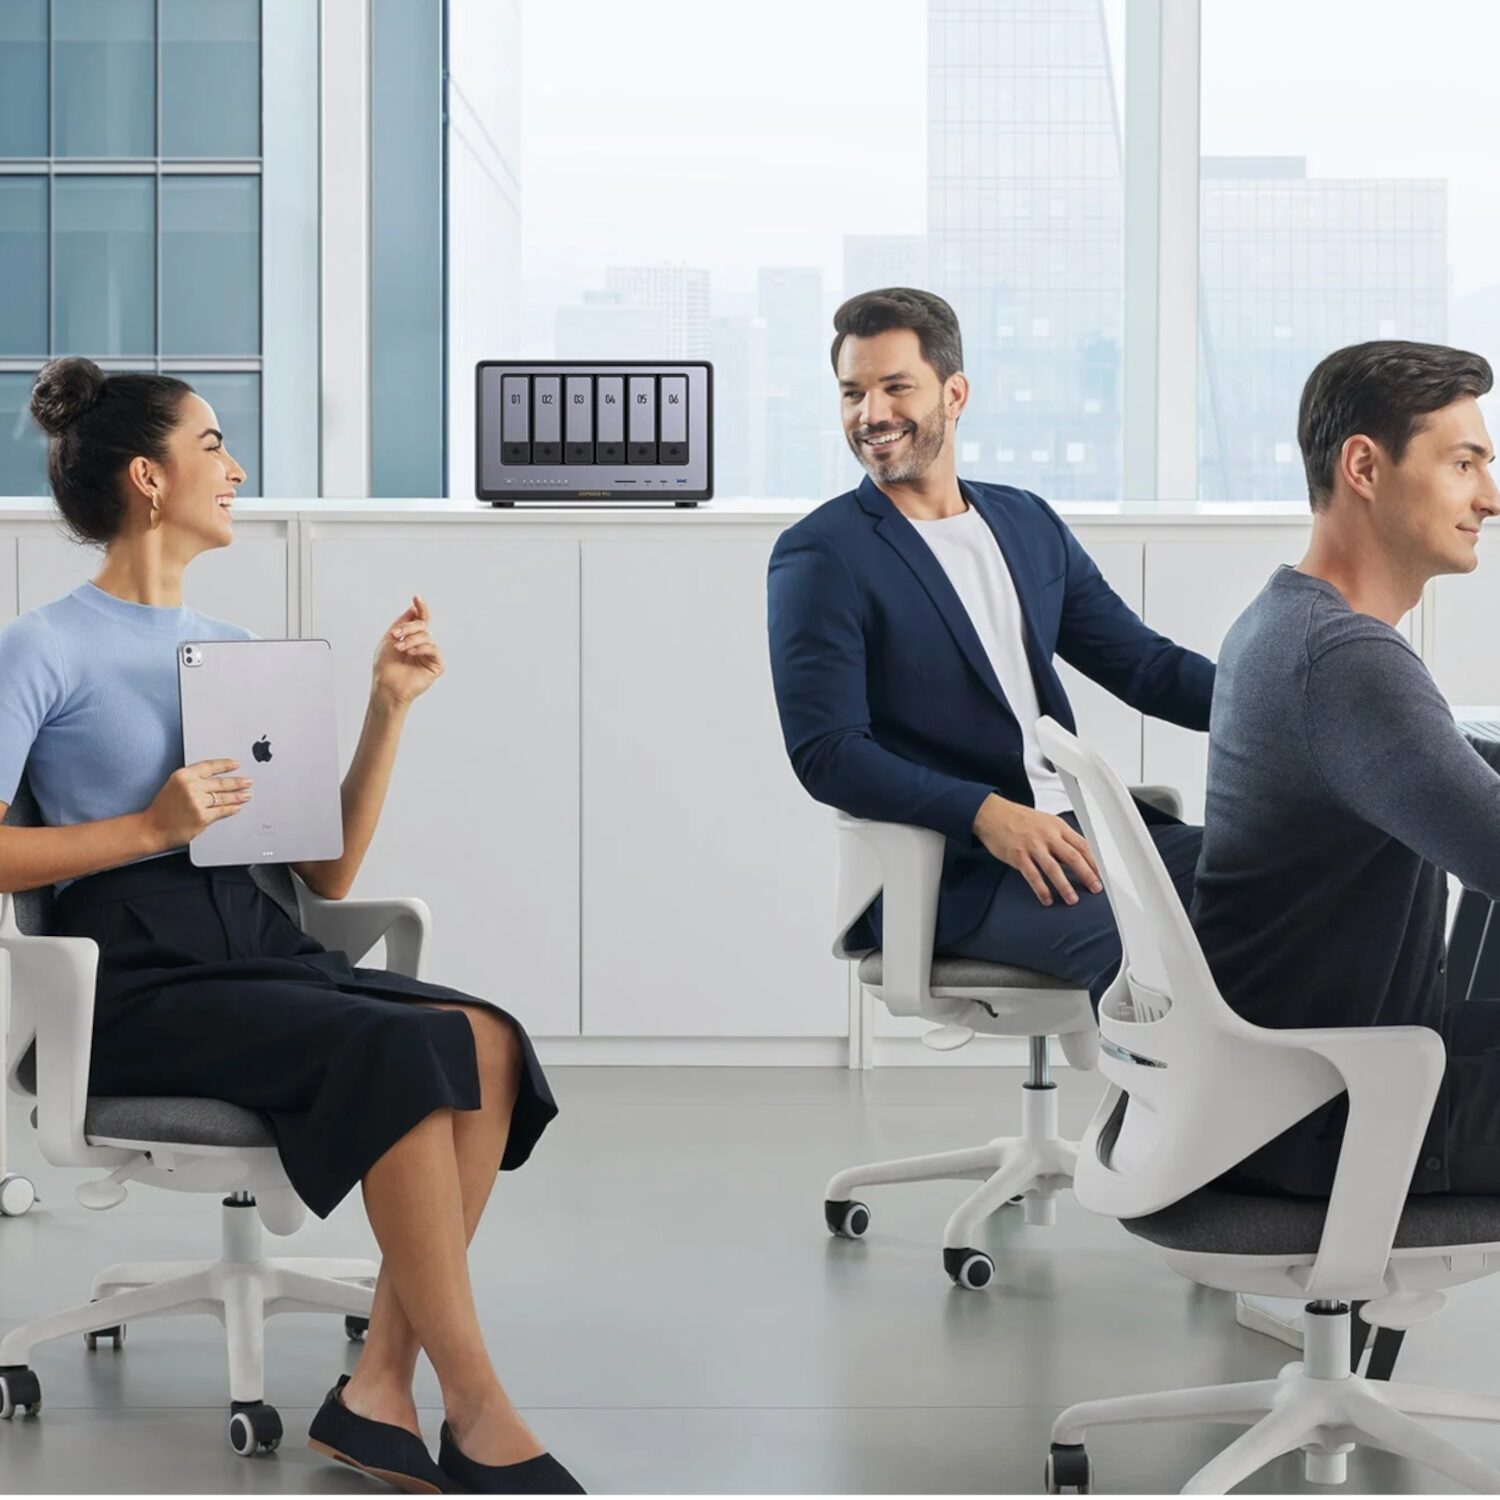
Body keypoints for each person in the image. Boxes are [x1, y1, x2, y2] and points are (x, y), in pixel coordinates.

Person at [0, 359, 583, 1496]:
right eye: (212, 444)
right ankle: (474, 1407)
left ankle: (375, 1392)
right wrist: (144, 825)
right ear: (146, 477)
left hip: (252, 941)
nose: (237, 467)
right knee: (401, 1048)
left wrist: (385, 707)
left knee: (492, 1040)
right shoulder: (43, 648)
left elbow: (326, 863)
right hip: (133, 974)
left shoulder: (238, 648)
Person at [767, 288, 1214, 999]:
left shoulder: (1025, 521)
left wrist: (1282, 705)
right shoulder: (823, 555)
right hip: (961, 872)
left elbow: (1146, 667)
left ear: (954, 393)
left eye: (895, 387)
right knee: (1160, 957)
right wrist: (984, 811)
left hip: (1083, 833)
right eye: (852, 393)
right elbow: (828, 753)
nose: (871, 414)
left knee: (1282, 885)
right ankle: (1161, 1113)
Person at [1192, 339, 1500, 1201]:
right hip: (1346, 1110)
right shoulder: (1346, 660)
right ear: (1364, 465)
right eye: (1464, 463)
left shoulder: (1282, 622)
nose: (1491, 497)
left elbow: (1446, 775)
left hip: (1301, 1081)